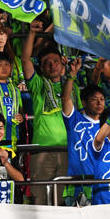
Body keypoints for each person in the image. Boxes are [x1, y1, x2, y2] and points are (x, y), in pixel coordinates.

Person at [22, 20, 73, 205]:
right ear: (41, 68)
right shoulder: (38, 84)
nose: (52, 66)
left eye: (55, 62)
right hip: (42, 151)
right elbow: (25, 60)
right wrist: (32, 33)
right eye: (46, 63)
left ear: (62, 64)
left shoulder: (72, 86)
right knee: (41, 202)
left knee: (65, 203)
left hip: (69, 151)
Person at [61, 60, 103, 206]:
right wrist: (72, 75)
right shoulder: (75, 121)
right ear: (84, 102)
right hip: (77, 186)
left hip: (102, 185)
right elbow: (65, 98)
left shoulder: (109, 124)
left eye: (102, 99)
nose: (99, 103)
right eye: (94, 99)